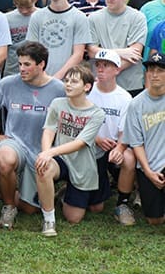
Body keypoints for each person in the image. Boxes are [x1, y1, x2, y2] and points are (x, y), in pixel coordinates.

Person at [0, 42, 65, 229]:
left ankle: (14, 192)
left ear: (41, 65)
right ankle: (8, 207)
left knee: (30, 209)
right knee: (5, 159)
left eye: (27, 65)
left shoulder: (59, 89)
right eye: (20, 64)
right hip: (14, 143)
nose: (21, 69)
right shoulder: (7, 84)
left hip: (42, 151)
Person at [35, 65, 105, 236]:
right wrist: (46, 154)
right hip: (61, 160)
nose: (68, 85)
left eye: (74, 81)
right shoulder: (57, 104)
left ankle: (63, 193)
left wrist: (50, 153)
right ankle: (49, 220)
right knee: (43, 168)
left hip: (83, 166)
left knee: (75, 217)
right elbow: (49, 130)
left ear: (87, 87)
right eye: (66, 81)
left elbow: (81, 142)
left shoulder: (97, 113)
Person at [87, 50, 136, 226]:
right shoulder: (87, 91)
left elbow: (125, 131)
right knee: (95, 207)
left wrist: (120, 148)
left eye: (106, 65)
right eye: (98, 65)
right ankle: (71, 190)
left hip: (114, 145)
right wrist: (96, 139)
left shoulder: (124, 97)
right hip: (90, 144)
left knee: (129, 159)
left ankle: (122, 204)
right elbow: (79, 122)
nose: (100, 69)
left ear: (117, 69)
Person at [122, 51, 165, 225]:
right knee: (154, 220)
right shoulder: (136, 104)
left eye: (160, 70)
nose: (155, 74)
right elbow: (136, 143)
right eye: (151, 70)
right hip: (150, 166)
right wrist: (148, 172)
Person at [87, 0, 147, 96]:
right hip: (101, 83)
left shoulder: (137, 18)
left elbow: (135, 53)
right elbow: (92, 51)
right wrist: (121, 52)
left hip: (130, 84)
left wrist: (110, 73)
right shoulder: (93, 18)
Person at [26, 0, 91, 80]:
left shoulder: (79, 17)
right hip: (40, 78)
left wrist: (56, 78)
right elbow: (32, 51)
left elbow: (78, 54)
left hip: (68, 80)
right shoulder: (37, 16)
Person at [4, 0, 39, 77]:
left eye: (28, 7)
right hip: (13, 71)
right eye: (20, 7)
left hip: (37, 72)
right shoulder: (6, 19)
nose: (24, 11)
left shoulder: (42, 16)